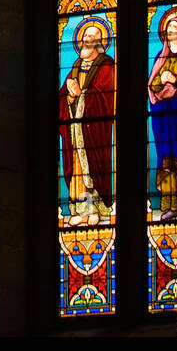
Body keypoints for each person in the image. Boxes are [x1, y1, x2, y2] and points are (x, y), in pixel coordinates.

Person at [59, 21, 115, 226]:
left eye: (90, 39)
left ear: (99, 43)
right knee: (77, 171)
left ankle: (97, 211)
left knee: (93, 168)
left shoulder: (106, 65)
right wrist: (69, 96)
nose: (86, 41)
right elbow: (62, 96)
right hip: (75, 130)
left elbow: (105, 97)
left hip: (94, 130)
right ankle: (82, 210)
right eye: (84, 38)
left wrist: (81, 94)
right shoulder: (75, 66)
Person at [148, 11, 177, 222]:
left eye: (176, 29)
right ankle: (169, 204)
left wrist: (176, 81)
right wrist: (161, 82)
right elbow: (151, 86)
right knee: (166, 160)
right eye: (169, 29)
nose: (172, 32)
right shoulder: (160, 57)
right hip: (163, 119)